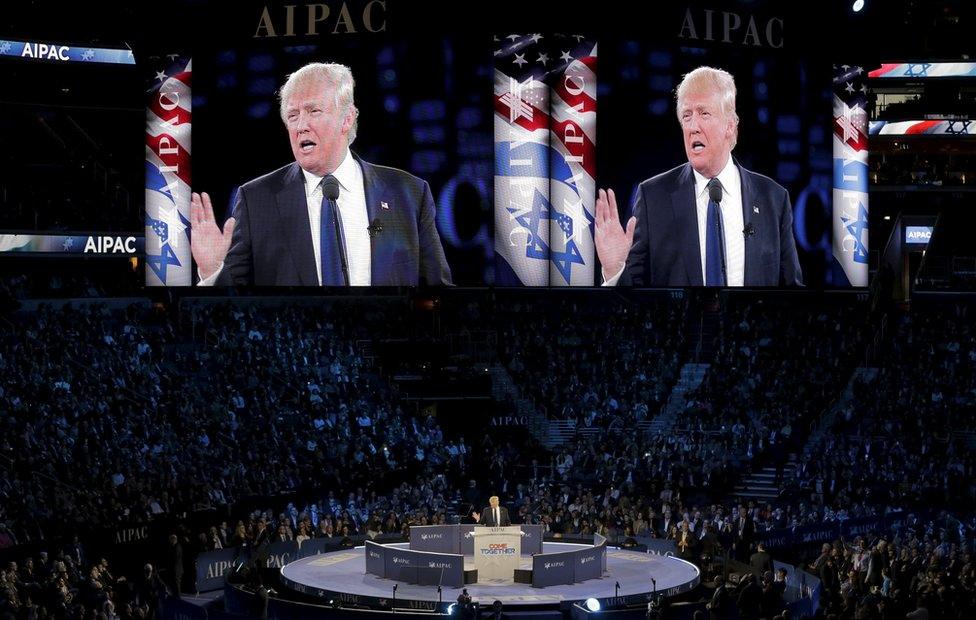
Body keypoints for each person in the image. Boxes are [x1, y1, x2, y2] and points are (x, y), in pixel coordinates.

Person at [191, 62, 452, 287]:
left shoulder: (408, 193)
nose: (301, 126)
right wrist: (213, 272)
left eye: (313, 111)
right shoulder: (256, 198)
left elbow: (437, 291)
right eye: (292, 116)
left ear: (347, 118)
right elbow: (235, 304)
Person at [595, 66, 802, 287]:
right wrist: (615, 270)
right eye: (687, 115)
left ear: (730, 126)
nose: (693, 126)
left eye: (704, 113)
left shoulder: (773, 198)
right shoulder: (653, 196)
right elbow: (634, 301)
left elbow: (791, 295)